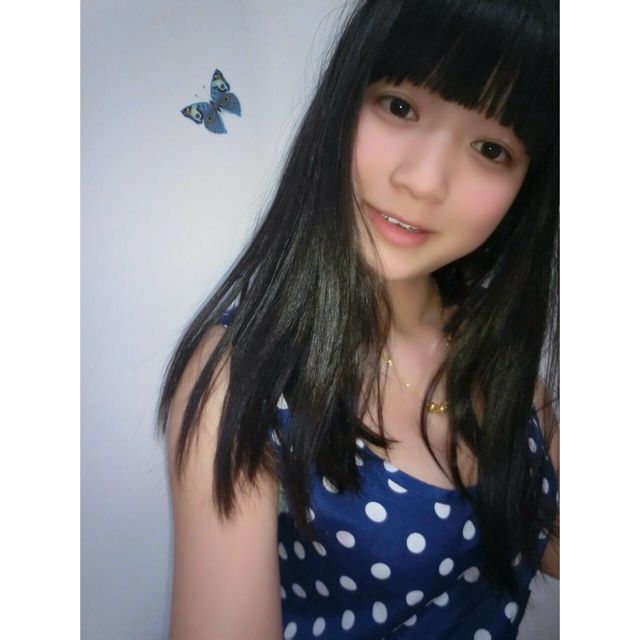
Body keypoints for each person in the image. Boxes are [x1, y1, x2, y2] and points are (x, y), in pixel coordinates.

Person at [158, 0, 559, 638]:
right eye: (399, 106)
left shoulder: (500, 357)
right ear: (343, 101)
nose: (423, 181)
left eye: (491, 148)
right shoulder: (247, 375)